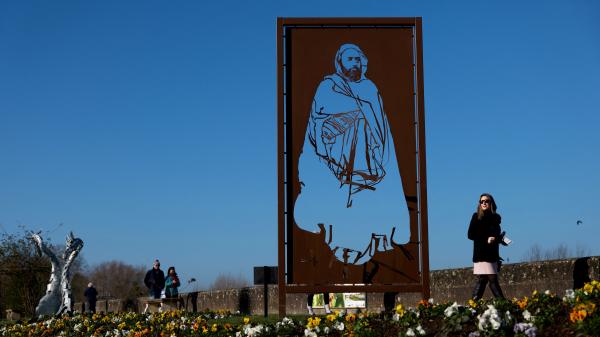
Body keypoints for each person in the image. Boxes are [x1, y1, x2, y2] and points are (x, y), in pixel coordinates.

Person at [294, 43, 410, 264]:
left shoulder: (369, 88)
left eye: (358, 60)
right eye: (350, 60)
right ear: (340, 63)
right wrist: (355, 113)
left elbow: (380, 123)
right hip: (334, 155)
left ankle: (374, 232)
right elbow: (320, 118)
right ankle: (339, 234)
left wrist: (363, 115)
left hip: (370, 155)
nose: (354, 64)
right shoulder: (328, 86)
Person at [468, 193, 505, 300]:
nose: (484, 203)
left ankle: (473, 304)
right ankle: (503, 304)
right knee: (491, 279)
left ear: (491, 203)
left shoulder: (496, 219)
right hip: (481, 253)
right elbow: (470, 235)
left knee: (483, 279)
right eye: (481, 201)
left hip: (493, 254)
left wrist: (499, 239)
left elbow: (496, 235)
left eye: (486, 201)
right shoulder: (476, 217)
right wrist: (486, 239)